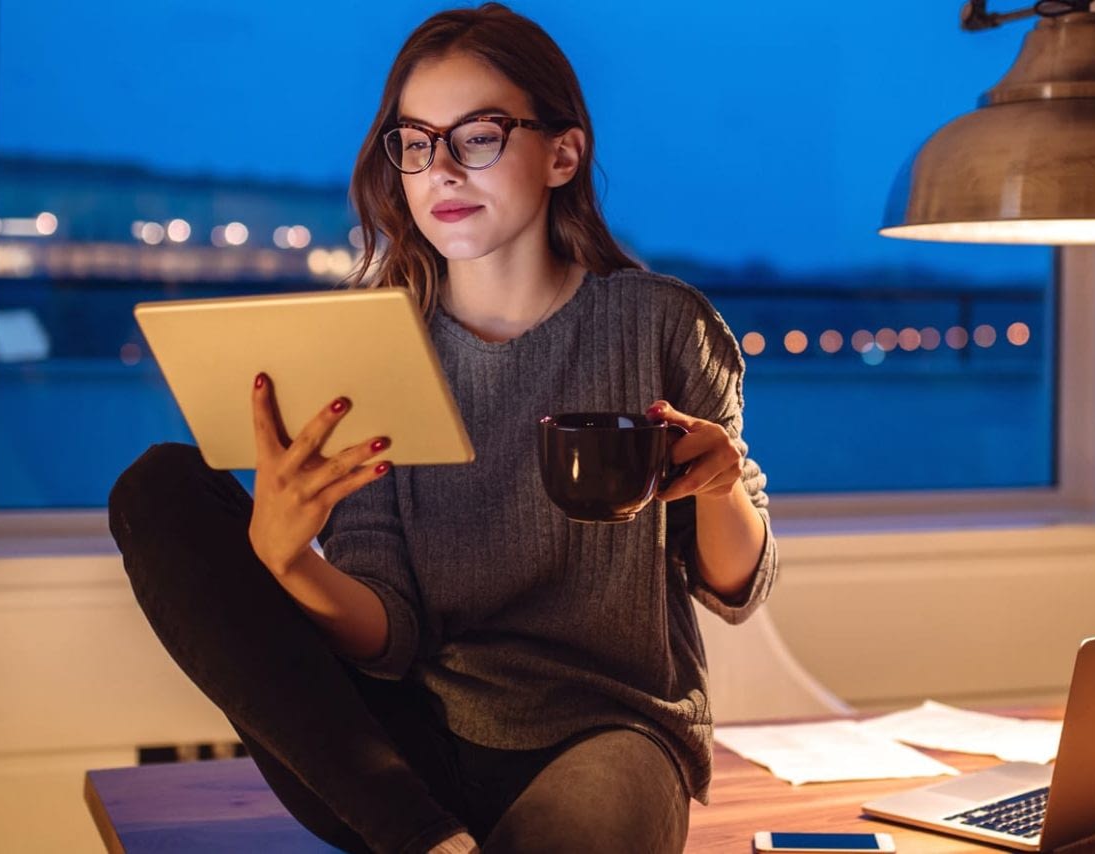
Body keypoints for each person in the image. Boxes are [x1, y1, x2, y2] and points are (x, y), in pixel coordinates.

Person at [107, 4, 778, 852]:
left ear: (562, 153)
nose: (442, 171)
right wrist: (288, 559)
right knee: (158, 487)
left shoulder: (660, 324)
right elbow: (386, 637)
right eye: (418, 143)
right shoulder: (374, 344)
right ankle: (426, 840)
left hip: (609, 735)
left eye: (479, 135)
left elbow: (738, 587)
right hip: (396, 758)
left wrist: (720, 485)